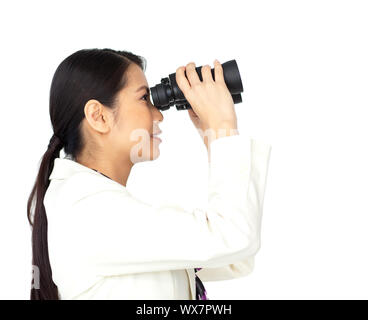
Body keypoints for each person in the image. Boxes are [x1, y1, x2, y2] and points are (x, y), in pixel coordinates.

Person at [26, 48, 272, 300]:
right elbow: (233, 237)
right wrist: (222, 129)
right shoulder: (88, 210)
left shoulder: (95, 205)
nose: (159, 115)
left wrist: (213, 135)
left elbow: (235, 257)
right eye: (144, 98)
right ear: (98, 116)